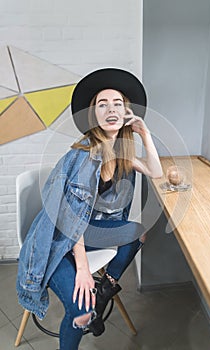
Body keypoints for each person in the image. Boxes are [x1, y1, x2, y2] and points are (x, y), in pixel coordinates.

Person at [16, 68, 163, 350]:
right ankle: (89, 304)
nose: (110, 109)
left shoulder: (119, 150)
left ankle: (104, 290)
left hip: (84, 232)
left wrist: (145, 134)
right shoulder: (85, 155)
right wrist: (82, 269)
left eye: (117, 103)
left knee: (137, 233)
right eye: (102, 104)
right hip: (56, 240)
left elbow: (155, 172)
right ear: (93, 114)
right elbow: (70, 218)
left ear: (126, 112)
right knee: (82, 313)